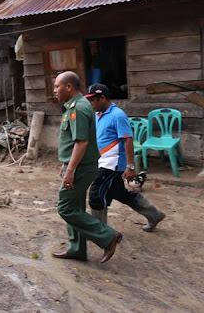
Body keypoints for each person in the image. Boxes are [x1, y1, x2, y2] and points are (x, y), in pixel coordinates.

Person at [53, 71, 122, 263]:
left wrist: (70, 170)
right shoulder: (75, 107)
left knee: (65, 208)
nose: (54, 91)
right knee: (75, 207)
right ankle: (77, 248)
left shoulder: (78, 109)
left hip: (81, 168)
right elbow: (72, 142)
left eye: (57, 86)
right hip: (77, 165)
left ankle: (109, 236)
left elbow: (81, 143)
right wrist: (65, 163)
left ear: (69, 87)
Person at [85, 83, 165, 231]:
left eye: (92, 100)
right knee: (119, 192)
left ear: (102, 98)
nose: (91, 103)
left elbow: (128, 140)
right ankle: (154, 214)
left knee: (97, 194)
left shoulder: (117, 115)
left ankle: (100, 232)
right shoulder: (98, 115)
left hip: (112, 164)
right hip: (102, 160)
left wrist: (130, 166)